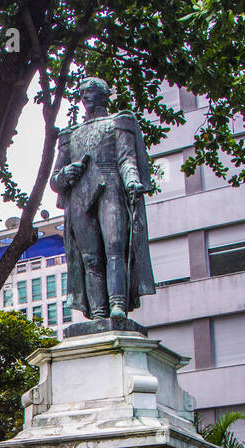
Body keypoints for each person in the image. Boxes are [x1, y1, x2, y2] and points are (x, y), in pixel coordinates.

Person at [50, 77, 156, 327]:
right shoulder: (69, 135)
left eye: (92, 91)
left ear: (104, 95)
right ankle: (98, 312)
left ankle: (117, 304)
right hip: (79, 195)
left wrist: (131, 181)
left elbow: (127, 159)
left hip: (110, 186)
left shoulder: (119, 122)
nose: (86, 96)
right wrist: (66, 174)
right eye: (83, 92)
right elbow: (55, 180)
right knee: (90, 258)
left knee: (115, 247)